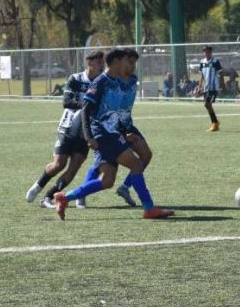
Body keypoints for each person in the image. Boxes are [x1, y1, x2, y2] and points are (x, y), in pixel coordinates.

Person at [53, 48, 174, 220]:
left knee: (107, 181)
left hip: (113, 133)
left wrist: (125, 133)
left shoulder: (118, 82)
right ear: (117, 62)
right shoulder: (101, 82)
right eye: (127, 61)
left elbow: (118, 112)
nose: (130, 66)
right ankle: (149, 208)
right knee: (137, 165)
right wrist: (89, 138)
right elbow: (86, 110)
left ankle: (64, 197)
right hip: (104, 134)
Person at [26, 51, 127, 210]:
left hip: (87, 131)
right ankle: (38, 185)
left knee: (73, 169)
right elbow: (66, 102)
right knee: (58, 164)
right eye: (99, 62)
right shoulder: (76, 79)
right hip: (68, 126)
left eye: (103, 62)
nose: (102, 65)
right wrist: (87, 106)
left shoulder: (104, 82)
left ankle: (49, 197)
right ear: (89, 63)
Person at [197, 45, 224, 131]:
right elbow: (201, 75)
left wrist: (221, 85)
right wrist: (199, 86)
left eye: (208, 52)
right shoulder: (202, 62)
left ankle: (215, 123)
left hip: (213, 87)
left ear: (211, 52)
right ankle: (215, 122)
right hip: (206, 87)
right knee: (208, 105)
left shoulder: (215, 61)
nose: (207, 53)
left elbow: (220, 73)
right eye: (205, 52)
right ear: (204, 53)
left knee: (207, 104)